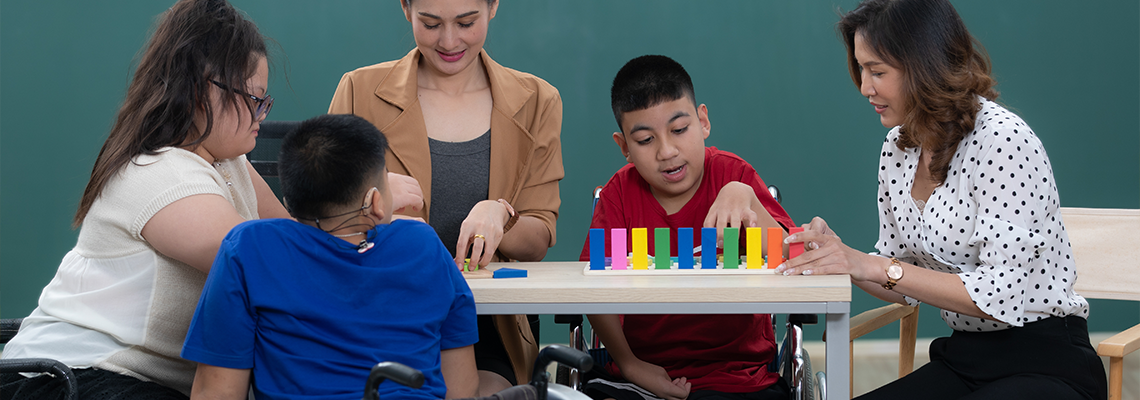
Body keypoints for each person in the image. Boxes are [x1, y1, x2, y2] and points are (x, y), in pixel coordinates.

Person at [778, 0, 1108, 399]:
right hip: (966, 358)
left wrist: (872, 265)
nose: (865, 87)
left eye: (877, 72)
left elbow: (998, 297)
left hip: (1046, 362)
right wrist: (842, 258)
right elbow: (901, 281)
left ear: (924, 67)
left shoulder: (1002, 140)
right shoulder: (897, 148)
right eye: (861, 69)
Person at [0, 0, 291, 398]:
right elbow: (266, 262)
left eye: (264, 101)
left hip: (137, 382)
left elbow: (292, 240)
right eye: (254, 99)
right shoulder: (159, 172)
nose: (262, 113)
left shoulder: (229, 161)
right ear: (202, 89)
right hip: (72, 377)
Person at [327, 0, 563, 394]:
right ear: (406, 8)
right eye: (431, 23)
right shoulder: (358, 91)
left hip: (485, 325)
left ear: (493, 6)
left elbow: (538, 240)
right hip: (374, 312)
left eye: (466, 22)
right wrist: (371, 204)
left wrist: (502, 215)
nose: (450, 41)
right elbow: (319, 223)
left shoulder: (537, 100)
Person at [181, 114, 478, 400]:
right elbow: (462, 388)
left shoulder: (250, 248)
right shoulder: (422, 245)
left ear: (289, 200)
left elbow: (217, 392)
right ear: (375, 201)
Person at [578, 55, 795, 400]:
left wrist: (748, 199)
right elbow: (594, 287)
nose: (667, 151)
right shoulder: (619, 194)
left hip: (739, 374)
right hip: (641, 374)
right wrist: (630, 364)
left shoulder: (735, 176)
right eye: (645, 140)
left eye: (679, 130)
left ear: (703, 121)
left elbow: (792, 256)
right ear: (624, 147)